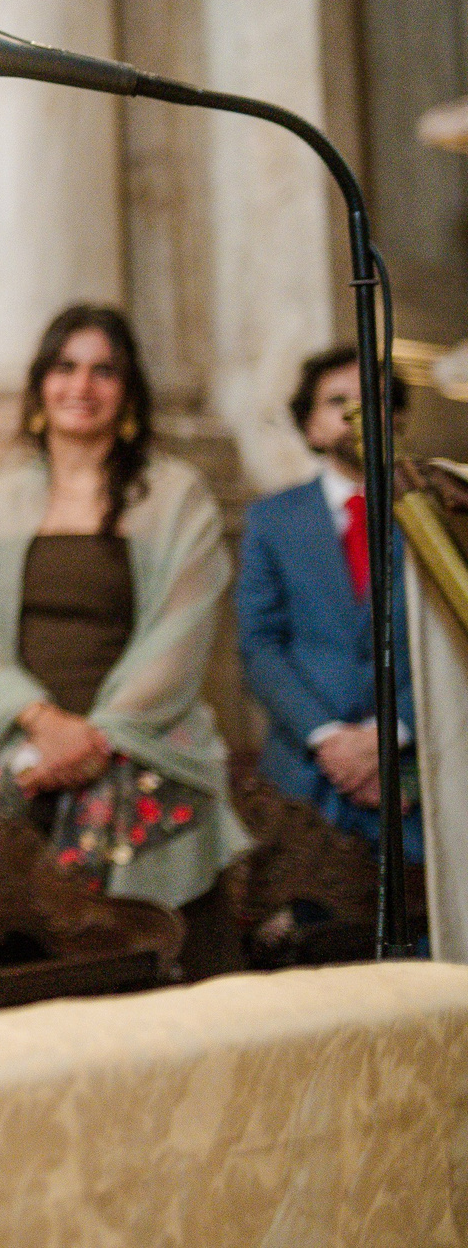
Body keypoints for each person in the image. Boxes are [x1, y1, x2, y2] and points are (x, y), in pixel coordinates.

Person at [0, 304, 250, 977]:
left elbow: (183, 630)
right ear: (40, 385)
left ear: (129, 390)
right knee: (5, 964)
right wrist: (46, 728)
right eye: (66, 367)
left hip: (142, 744)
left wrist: (95, 740)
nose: (82, 386)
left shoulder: (175, 495)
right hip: (23, 749)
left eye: (103, 370)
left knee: (162, 976)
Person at [236, 349, 420, 881]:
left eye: (372, 399)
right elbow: (259, 646)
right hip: (307, 778)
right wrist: (329, 738)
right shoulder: (273, 520)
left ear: (398, 418)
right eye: (337, 402)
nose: (355, 414)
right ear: (310, 426)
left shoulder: (436, 513)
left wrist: (390, 736)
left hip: (416, 777)